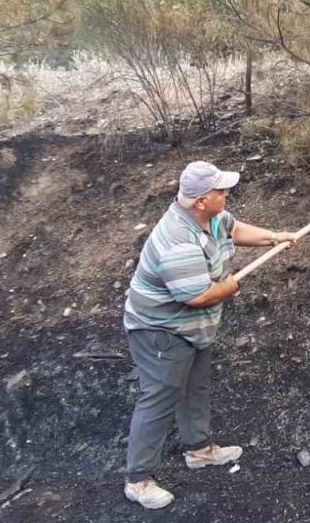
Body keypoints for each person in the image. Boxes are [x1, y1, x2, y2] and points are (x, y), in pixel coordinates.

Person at [122, 160, 297, 509]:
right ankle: (138, 480)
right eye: (220, 190)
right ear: (201, 200)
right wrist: (230, 286)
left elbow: (235, 229)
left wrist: (276, 237)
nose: (226, 194)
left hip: (193, 328)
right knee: (159, 397)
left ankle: (199, 450)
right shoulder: (178, 241)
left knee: (194, 386)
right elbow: (195, 297)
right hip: (160, 330)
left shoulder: (212, 217)